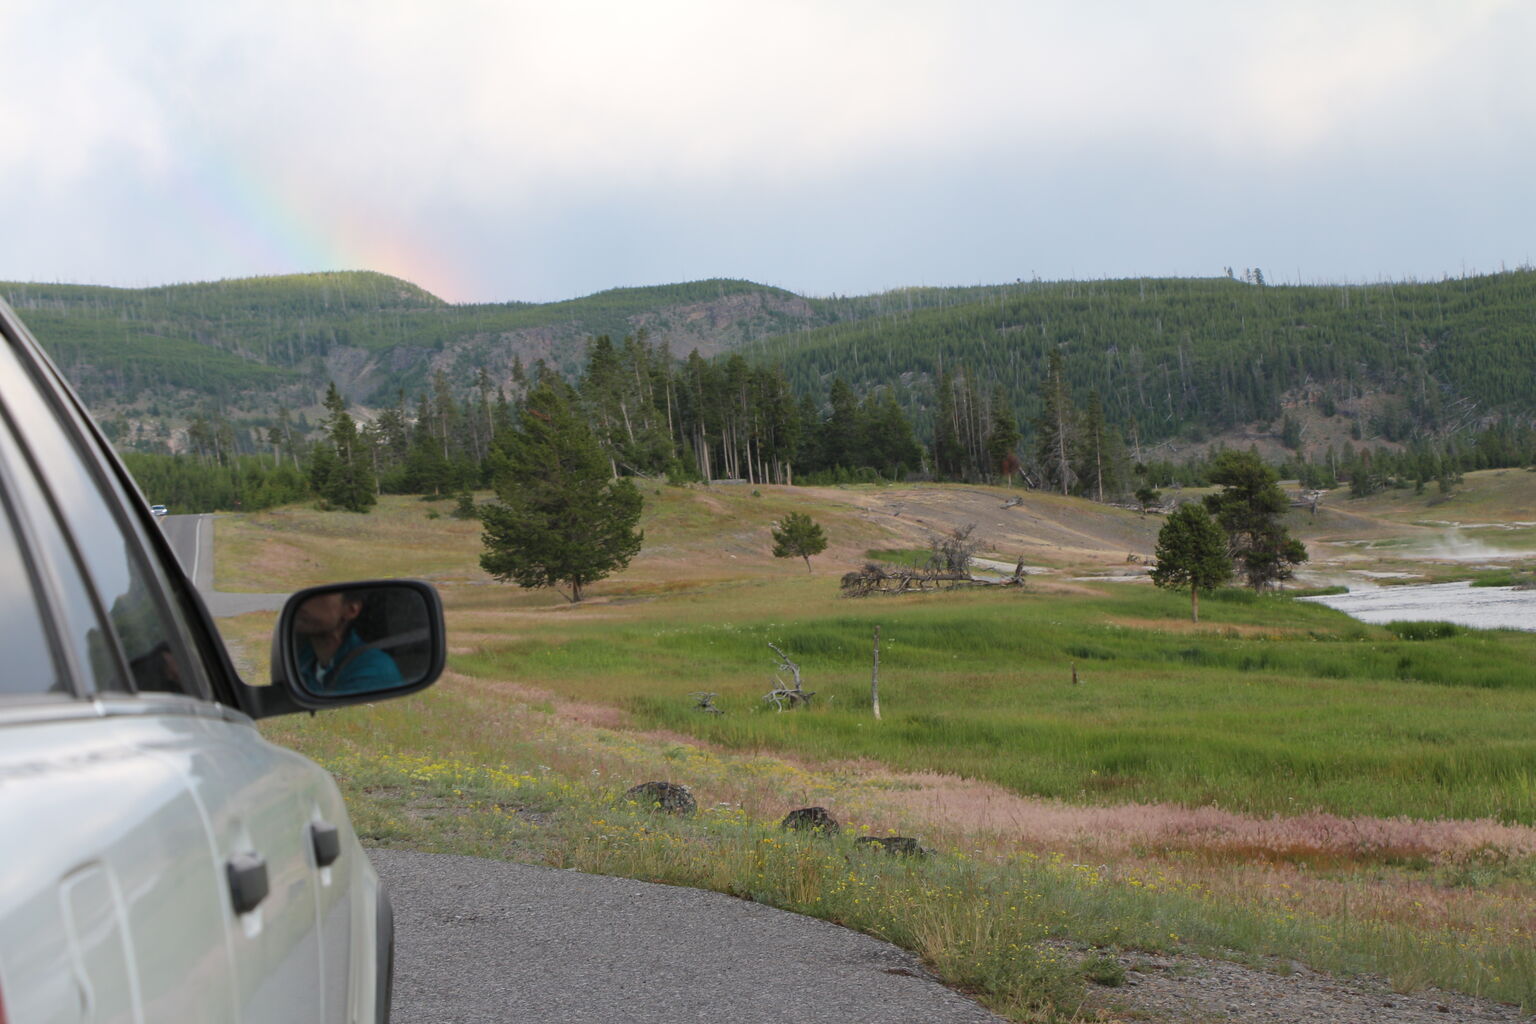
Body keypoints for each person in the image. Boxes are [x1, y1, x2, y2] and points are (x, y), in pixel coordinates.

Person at [292, 590, 403, 694]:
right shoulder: (303, 656)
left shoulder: (376, 669)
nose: (303, 601)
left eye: (320, 593)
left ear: (351, 610)